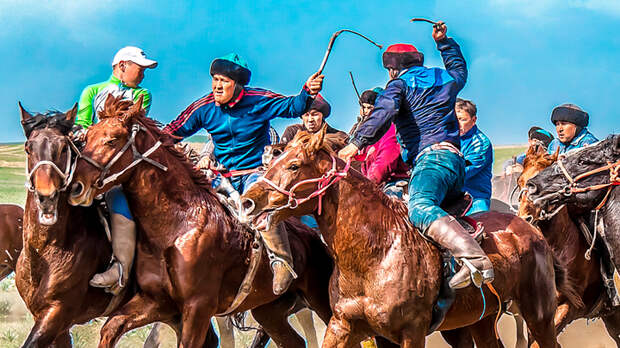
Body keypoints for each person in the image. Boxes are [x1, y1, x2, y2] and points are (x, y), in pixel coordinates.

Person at [339, 22, 493, 289]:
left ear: (392, 67)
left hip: (430, 161)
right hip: (454, 163)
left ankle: (475, 259)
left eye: (388, 69)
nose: (388, 73)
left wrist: (355, 144)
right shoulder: (444, 78)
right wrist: (445, 43)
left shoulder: (398, 85)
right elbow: (460, 70)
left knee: (419, 208)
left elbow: (382, 115)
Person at [163, 53, 324, 295]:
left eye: (224, 81)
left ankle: (281, 261)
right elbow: (174, 130)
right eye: (215, 79)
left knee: (259, 203)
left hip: (253, 172)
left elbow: (294, 106)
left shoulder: (258, 99)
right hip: (222, 176)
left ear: (237, 84)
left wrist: (307, 91)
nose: (217, 86)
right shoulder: (204, 107)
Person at [75, 46, 158, 293]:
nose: (143, 73)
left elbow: (131, 132)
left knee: (120, 197)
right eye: (139, 68)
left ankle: (120, 270)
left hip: (118, 167)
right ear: (122, 65)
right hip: (89, 160)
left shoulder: (143, 94)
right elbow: (81, 125)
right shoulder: (92, 91)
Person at [351, 88, 410, 199]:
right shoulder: (365, 134)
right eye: (364, 107)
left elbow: (385, 161)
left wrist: (366, 185)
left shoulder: (389, 127)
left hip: (395, 183)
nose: (367, 112)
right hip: (377, 184)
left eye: (370, 108)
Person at [455, 98, 493, 214]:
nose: (457, 124)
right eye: (455, 119)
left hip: (475, 200)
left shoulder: (481, 144)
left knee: (480, 226)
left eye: (462, 119)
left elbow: (464, 171)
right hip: (449, 197)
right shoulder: (445, 138)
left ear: (474, 120)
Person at [280, 94, 347, 144]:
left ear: (322, 116)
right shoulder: (292, 132)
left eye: (315, 114)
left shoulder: (339, 136)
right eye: (306, 115)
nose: (310, 119)